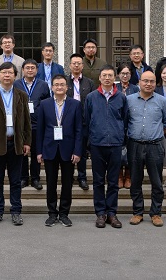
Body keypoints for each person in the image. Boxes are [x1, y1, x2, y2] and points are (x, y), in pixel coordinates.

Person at [0, 62, 32, 226]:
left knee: (16, 181)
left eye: (10, 72)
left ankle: (16, 211)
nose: (7, 75)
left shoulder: (21, 95)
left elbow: (27, 122)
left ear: (15, 76)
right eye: (4, 72)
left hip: (16, 144)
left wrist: (27, 142)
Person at [83, 65, 128, 229]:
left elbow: (125, 119)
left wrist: (121, 138)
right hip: (97, 144)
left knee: (113, 182)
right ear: (100, 78)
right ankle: (100, 213)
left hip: (115, 144)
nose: (107, 78)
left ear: (114, 77)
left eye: (110, 75)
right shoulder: (91, 97)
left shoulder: (121, 97)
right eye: (104, 75)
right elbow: (86, 120)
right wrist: (88, 143)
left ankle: (112, 213)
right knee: (98, 181)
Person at [127, 70, 166, 227]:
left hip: (155, 146)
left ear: (156, 83)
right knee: (135, 181)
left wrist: (155, 134)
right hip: (134, 145)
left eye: (152, 81)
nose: (148, 84)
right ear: (139, 82)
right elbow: (125, 121)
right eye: (145, 81)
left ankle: (156, 213)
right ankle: (137, 212)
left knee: (157, 182)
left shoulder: (162, 101)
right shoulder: (129, 100)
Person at [37, 75, 82, 227]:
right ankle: (52, 213)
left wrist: (77, 151)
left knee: (67, 183)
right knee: (51, 183)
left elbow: (79, 130)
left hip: (68, 150)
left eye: (62, 84)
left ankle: (64, 213)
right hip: (49, 149)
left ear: (67, 87)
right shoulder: (44, 104)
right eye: (56, 84)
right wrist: (39, 151)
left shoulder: (75, 104)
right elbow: (40, 129)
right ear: (52, 87)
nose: (59, 87)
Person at [14, 58, 50, 190]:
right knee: (22, 152)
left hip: (37, 124)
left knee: (36, 152)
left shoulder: (43, 85)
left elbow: (47, 104)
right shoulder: (16, 84)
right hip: (20, 124)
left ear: (37, 70)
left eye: (32, 68)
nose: (30, 70)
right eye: (27, 68)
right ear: (22, 70)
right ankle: (23, 177)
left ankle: (35, 178)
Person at [65, 53, 95, 190]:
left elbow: (93, 103)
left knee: (82, 152)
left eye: (79, 63)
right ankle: (69, 177)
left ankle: (82, 177)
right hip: (67, 121)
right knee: (68, 149)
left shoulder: (89, 83)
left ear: (82, 66)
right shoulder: (64, 82)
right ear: (70, 65)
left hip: (83, 121)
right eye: (74, 63)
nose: (76, 65)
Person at [116, 63, 138, 189]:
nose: (125, 76)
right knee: (118, 149)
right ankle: (119, 175)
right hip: (117, 123)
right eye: (122, 73)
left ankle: (128, 175)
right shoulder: (114, 87)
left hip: (131, 122)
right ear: (118, 75)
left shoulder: (135, 89)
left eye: (127, 73)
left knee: (130, 150)